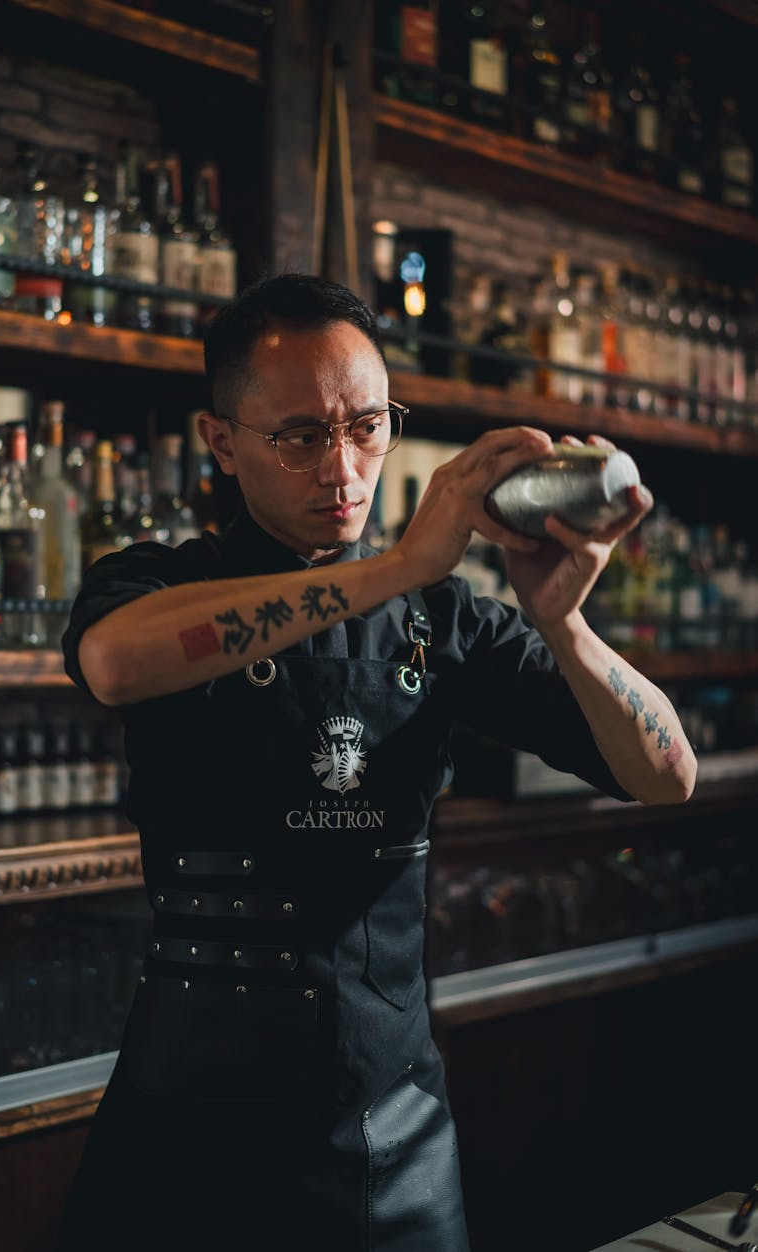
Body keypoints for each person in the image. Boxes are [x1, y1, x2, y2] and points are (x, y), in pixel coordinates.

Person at [56, 273, 696, 1251]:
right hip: (187, 1121)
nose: (342, 467)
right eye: (299, 436)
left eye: (366, 426)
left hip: (389, 1123)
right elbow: (113, 662)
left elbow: (665, 772)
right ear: (221, 442)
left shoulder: (444, 620)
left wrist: (562, 621)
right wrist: (396, 566)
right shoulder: (161, 582)